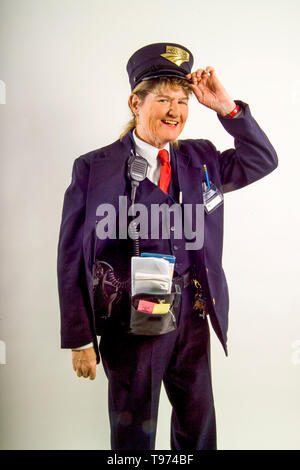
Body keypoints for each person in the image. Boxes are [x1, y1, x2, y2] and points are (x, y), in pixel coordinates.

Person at [57, 42, 278, 450]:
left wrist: (226, 107)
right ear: (135, 103)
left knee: (198, 428)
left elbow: (262, 159)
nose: (175, 111)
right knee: (133, 435)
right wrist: (80, 338)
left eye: (182, 100)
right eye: (163, 100)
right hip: (131, 323)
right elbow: (72, 255)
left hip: (192, 318)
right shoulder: (95, 167)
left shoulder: (202, 159)